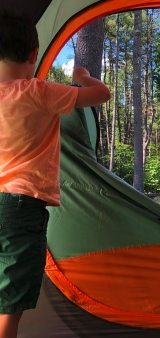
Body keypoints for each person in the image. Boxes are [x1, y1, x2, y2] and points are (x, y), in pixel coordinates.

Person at [0, 12, 111, 338]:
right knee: (11, 301)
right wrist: (83, 75)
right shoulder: (39, 92)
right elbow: (101, 95)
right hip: (21, 207)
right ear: (35, 55)